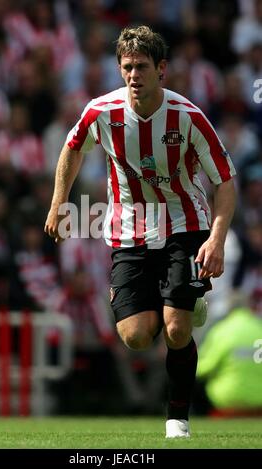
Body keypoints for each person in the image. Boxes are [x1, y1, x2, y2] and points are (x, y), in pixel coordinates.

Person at [44, 26, 236, 438]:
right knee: (135, 336)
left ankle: (177, 420)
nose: (133, 75)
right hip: (128, 230)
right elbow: (73, 146)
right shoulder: (102, 111)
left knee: (177, 330)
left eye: (142, 67)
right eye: (127, 67)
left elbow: (224, 180)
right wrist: (60, 201)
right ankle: (177, 299)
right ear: (119, 69)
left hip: (185, 224)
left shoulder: (187, 117)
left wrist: (216, 238)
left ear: (161, 69)